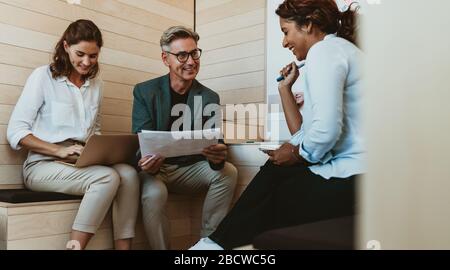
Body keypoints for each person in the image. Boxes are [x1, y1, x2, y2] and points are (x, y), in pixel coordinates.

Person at [190, 0, 365, 250]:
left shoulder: (324, 52)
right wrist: (285, 88)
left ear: (308, 24)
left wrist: (295, 153)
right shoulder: (338, 50)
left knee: (274, 179)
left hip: (355, 177)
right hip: (356, 175)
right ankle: (217, 244)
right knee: (277, 174)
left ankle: (213, 246)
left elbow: (325, 133)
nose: (284, 42)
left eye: (286, 31)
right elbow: (304, 135)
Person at [6, 20, 140, 250]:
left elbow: (94, 131)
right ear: (66, 46)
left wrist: (99, 152)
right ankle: (76, 247)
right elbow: (16, 133)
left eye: (94, 56)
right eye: (80, 54)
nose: (86, 62)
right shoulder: (43, 77)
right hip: (42, 165)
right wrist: (59, 150)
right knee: (107, 178)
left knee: (128, 174)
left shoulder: (96, 85)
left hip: (80, 160)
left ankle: (123, 248)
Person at [132, 26, 238, 250]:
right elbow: (141, 140)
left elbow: (215, 141)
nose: (190, 61)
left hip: (190, 169)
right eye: (182, 55)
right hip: (156, 171)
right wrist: (147, 163)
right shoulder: (145, 91)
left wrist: (218, 156)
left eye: (194, 53)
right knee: (153, 192)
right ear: (165, 58)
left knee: (229, 171)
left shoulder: (209, 96)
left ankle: (208, 244)